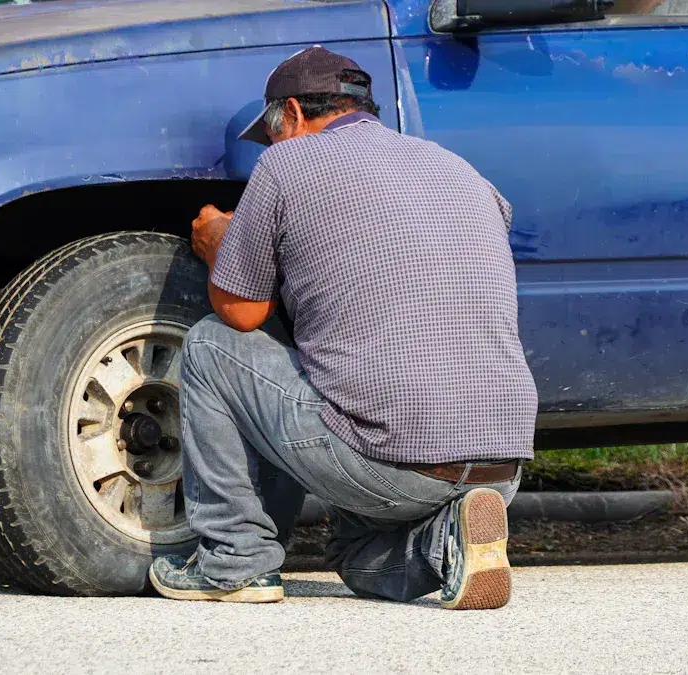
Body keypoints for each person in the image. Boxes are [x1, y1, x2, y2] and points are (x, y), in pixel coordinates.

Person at [148, 47, 538, 610]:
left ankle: (235, 561)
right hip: (502, 464)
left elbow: (242, 314)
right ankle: (447, 541)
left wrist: (220, 246)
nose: (272, 147)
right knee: (356, 558)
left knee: (212, 345)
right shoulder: (460, 170)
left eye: (272, 134)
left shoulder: (287, 164)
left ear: (292, 114)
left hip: (391, 461)